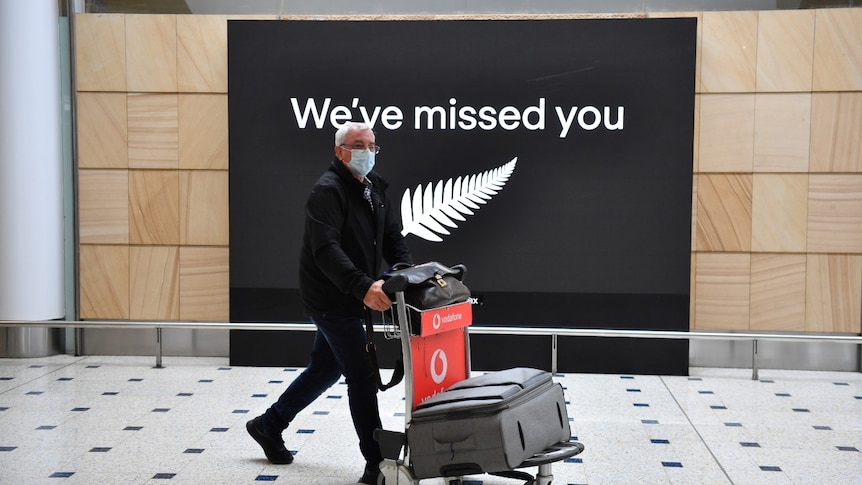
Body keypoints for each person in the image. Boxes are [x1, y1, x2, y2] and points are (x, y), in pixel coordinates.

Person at [247, 122, 412, 485]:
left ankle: (268, 425)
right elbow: (326, 250)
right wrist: (363, 286)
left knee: (325, 369)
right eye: (357, 145)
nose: (366, 152)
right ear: (339, 151)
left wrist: (401, 268)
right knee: (362, 377)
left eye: (371, 146)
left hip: (354, 293)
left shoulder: (375, 187)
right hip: (330, 298)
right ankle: (377, 463)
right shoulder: (327, 191)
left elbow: (391, 236)